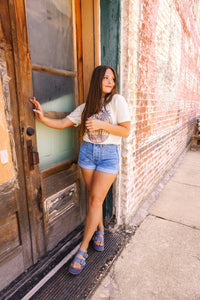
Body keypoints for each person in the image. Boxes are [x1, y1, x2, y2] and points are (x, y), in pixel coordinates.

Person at [30, 65, 131, 275]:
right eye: (105, 78)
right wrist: (42, 117)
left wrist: (101, 125)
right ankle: (100, 230)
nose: (110, 82)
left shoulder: (117, 101)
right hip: (87, 154)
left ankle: (82, 249)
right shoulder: (87, 106)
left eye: (112, 78)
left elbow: (125, 130)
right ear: (97, 80)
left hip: (108, 156)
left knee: (95, 200)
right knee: (95, 198)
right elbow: (64, 122)